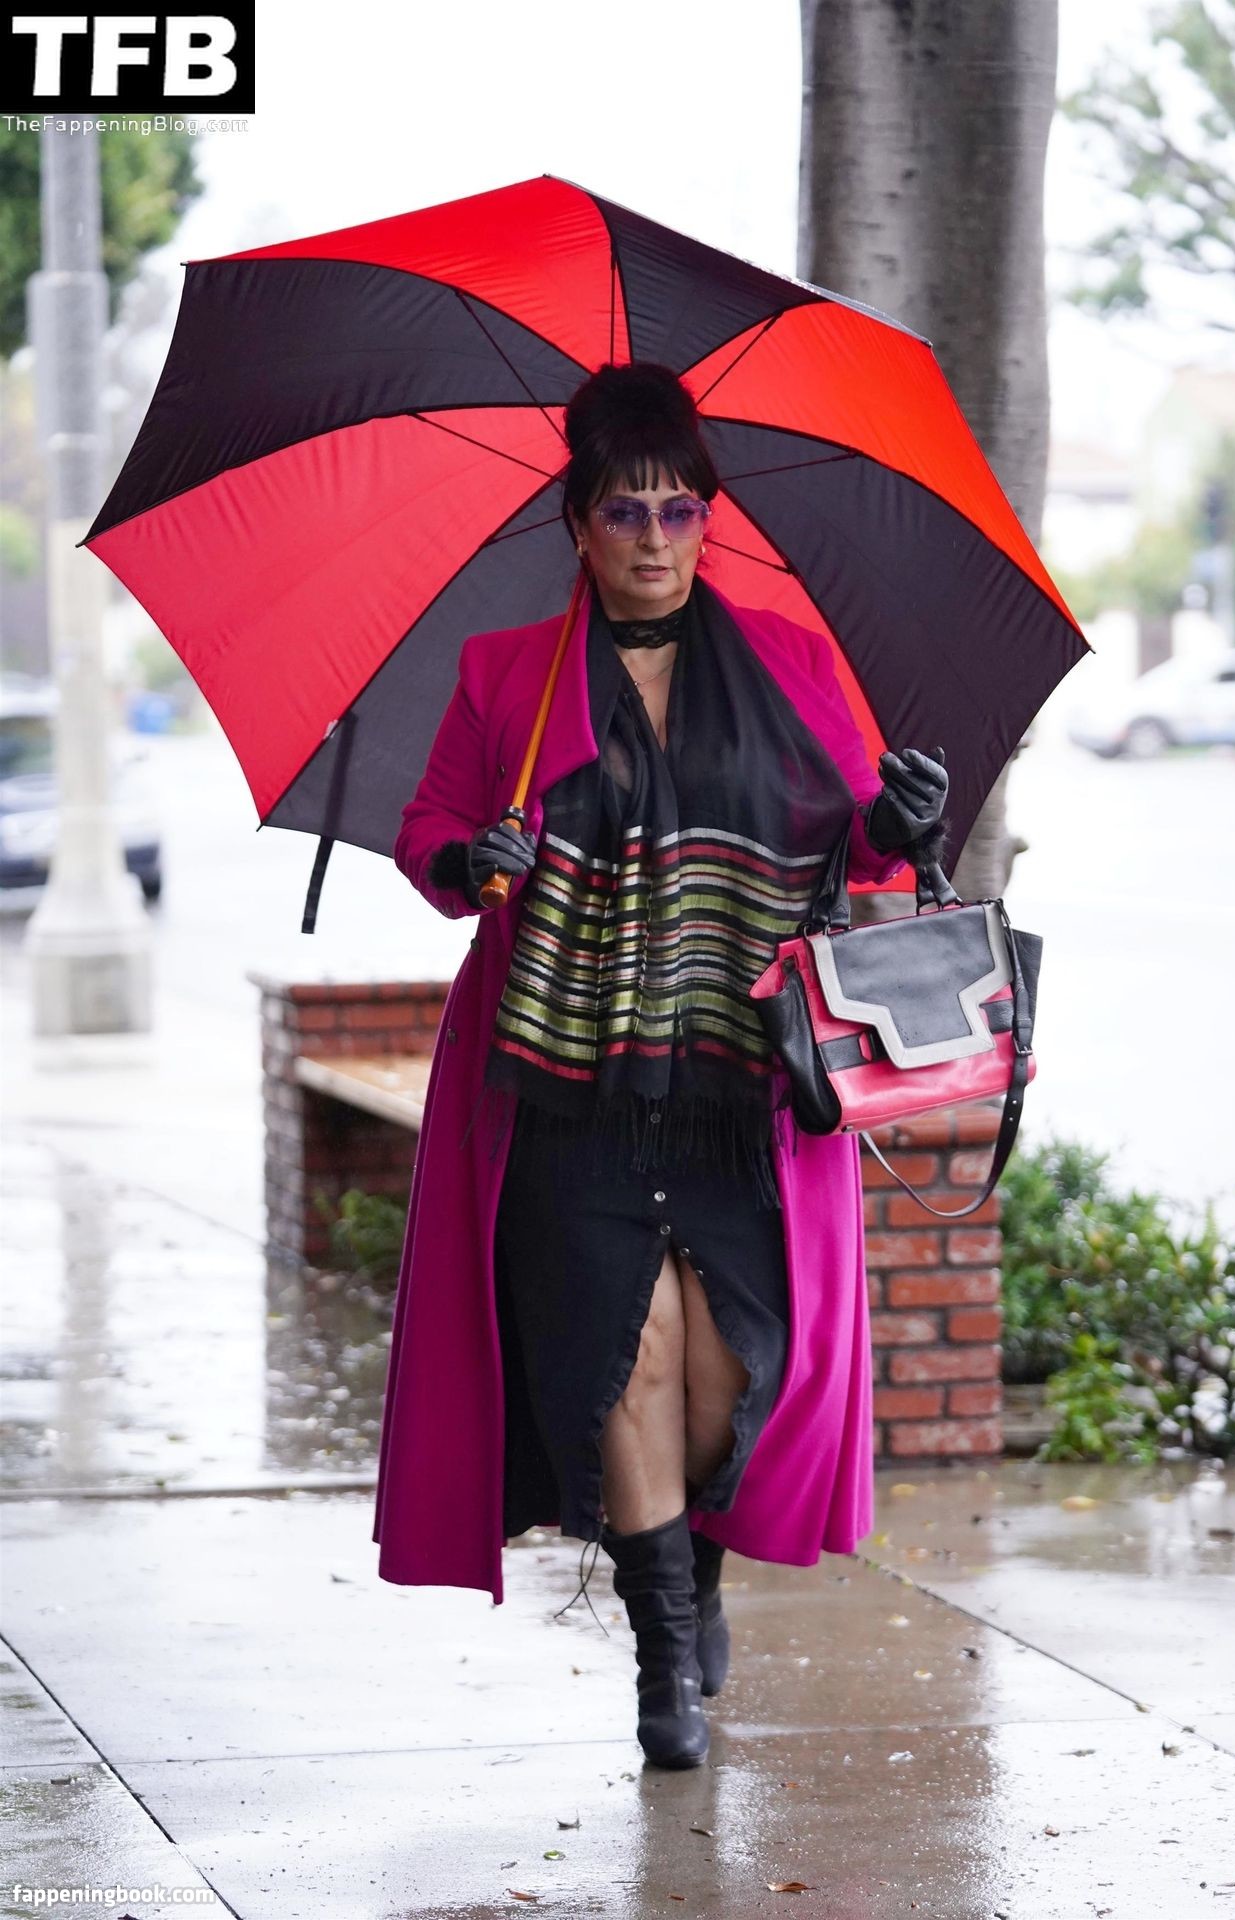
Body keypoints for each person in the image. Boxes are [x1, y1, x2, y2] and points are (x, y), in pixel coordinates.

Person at [375, 362, 948, 1770]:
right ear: (578, 525)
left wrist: (902, 824)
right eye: (623, 510)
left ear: (706, 521)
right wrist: (469, 857)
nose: (652, 535)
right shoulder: (506, 674)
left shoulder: (793, 663)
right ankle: (662, 1659)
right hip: (564, 1082)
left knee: (727, 1376)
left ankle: (697, 1572)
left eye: (677, 508)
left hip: (742, 1084)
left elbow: (858, 843)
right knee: (621, 1358)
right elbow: (429, 835)